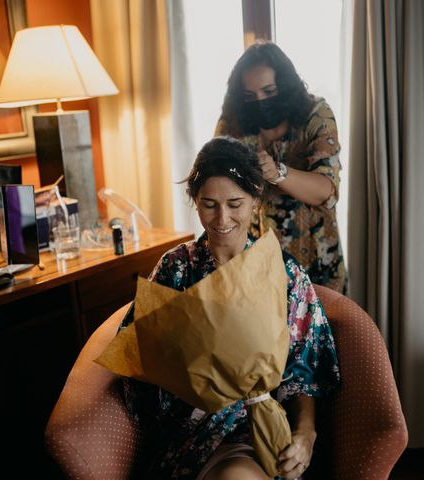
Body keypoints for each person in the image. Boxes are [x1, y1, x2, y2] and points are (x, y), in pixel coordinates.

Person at [120, 136, 340, 480]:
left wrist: (306, 433)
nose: (222, 218)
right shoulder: (176, 269)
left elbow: (305, 370)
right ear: (195, 201)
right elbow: (138, 355)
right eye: (209, 204)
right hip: (192, 432)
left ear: (256, 201)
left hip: (262, 431)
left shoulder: (283, 273)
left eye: (235, 203)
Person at [215, 41, 347, 293]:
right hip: (253, 258)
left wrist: (278, 173)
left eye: (269, 91)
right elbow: (216, 177)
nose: (260, 101)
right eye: (250, 96)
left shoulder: (316, 115)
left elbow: (326, 190)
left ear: (284, 87)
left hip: (317, 257)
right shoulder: (234, 121)